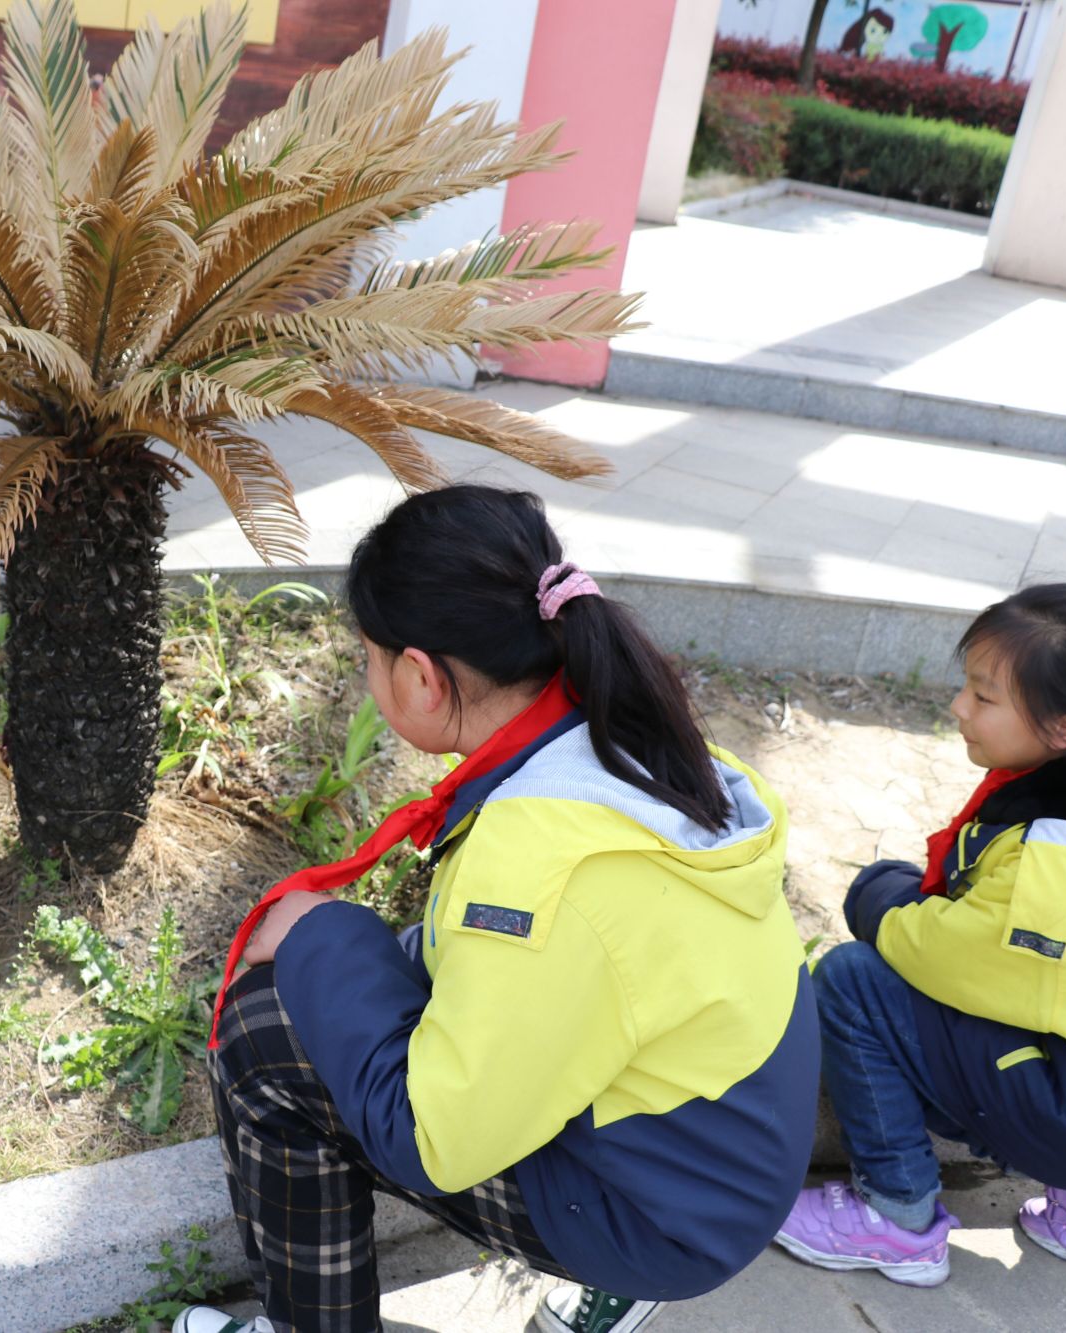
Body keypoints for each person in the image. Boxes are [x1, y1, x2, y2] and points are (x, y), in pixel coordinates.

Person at [173, 487, 819, 1333]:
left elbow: (429, 1138)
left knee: (266, 1037)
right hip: (724, 1146)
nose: (368, 683)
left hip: (666, 1215)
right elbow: (527, 965)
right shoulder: (619, 740)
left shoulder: (541, 860)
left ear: (420, 675)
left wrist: (322, 933)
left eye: (367, 658)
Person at [777, 583, 1066, 1286]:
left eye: (984, 695)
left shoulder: (1061, 851)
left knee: (854, 984)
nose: (958, 707)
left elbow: (942, 956)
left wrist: (877, 893)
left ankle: (896, 1214)